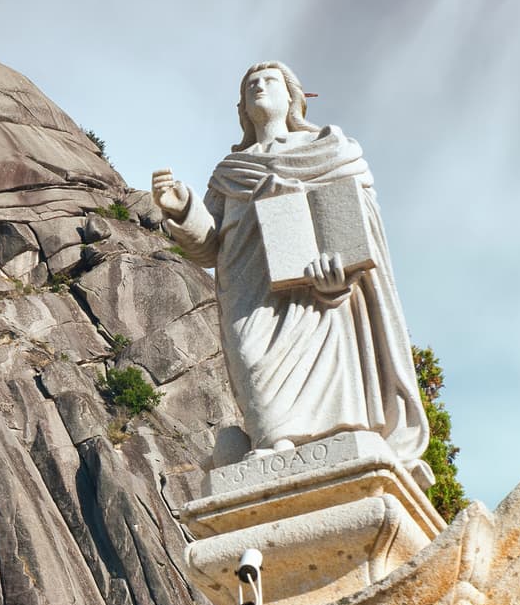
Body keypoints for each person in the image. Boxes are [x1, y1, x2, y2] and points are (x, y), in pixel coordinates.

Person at [152, 62, 428, 466]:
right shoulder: (231, 172)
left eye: (269, 81)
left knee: (332, 351)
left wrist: (343, 275)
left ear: (292, 97)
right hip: (251, 294)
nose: (259, 87)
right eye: (250, 86)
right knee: (254, 360)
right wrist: (182, 209)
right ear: (242, 108)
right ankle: (273, 440)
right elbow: (208, 247)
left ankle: (343, 432)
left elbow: (358, 218)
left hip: (323, 294)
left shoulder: (329, 151)